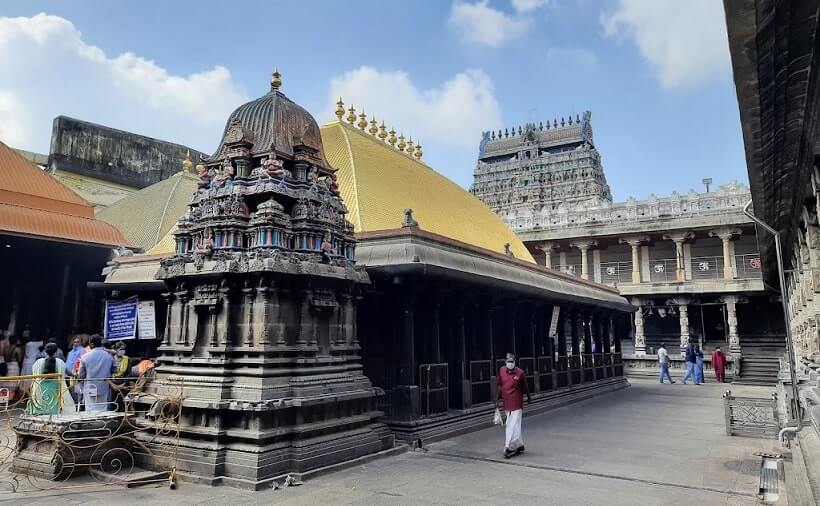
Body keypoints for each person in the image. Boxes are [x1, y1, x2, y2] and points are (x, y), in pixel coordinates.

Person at [496, 353, 531, 459]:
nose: (510, 363)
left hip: (517, 403)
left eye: (512, 361)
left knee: (511, 424)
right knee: (515, 424)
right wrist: (496, 399)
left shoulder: (520, 373)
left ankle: (508, 446)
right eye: (508, 361)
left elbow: (525, 386)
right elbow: (499, 385)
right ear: (505, 362)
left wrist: (529, 397)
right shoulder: (502, 370)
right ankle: (519, 445)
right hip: (506, 402)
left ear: (515, 362)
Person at [27, 342, 74, 415]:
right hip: (55, 386)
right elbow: (69, 373)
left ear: (45, 351)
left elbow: (34, 373)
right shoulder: (60, 362)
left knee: (42, 401)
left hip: (41, 386)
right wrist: (75, 375)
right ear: (56, 351)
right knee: (53, 402)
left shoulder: (38, 362)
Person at [77, 335, 117, 412]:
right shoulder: (108, 356)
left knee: (90, 409)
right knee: (102, 408)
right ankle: (102, 423)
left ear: (92, 344)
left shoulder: (85, 357)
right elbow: (115, 370)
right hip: (104, 387)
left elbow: (81, 375)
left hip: (90, 387)